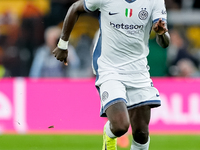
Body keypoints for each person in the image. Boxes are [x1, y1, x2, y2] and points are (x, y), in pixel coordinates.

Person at [53, 0, 170, 150]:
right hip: (109, 68)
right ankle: (109, 134)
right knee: (120, 126)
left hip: (138, 70)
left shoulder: (154, 1)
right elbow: (75, 8)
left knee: (141, 134)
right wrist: (63, 44)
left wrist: (161, 33)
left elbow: (164, 42)